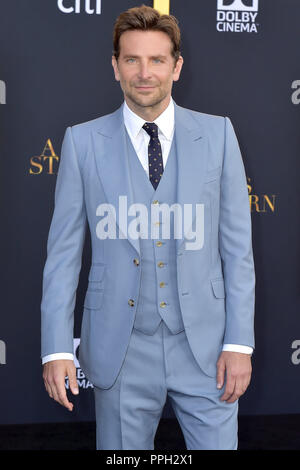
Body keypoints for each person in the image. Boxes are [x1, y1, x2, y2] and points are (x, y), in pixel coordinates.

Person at [41, 5, 255, 450]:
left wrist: (240, 343)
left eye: (157, 60)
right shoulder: (82, 142)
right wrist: (58, 348)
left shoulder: (218, 136)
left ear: (176, 67)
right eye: (132, 59)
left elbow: (238, 251)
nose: (145, 73)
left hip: (207, 349)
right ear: (115, 66)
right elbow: (62, 256)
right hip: (120, 351)